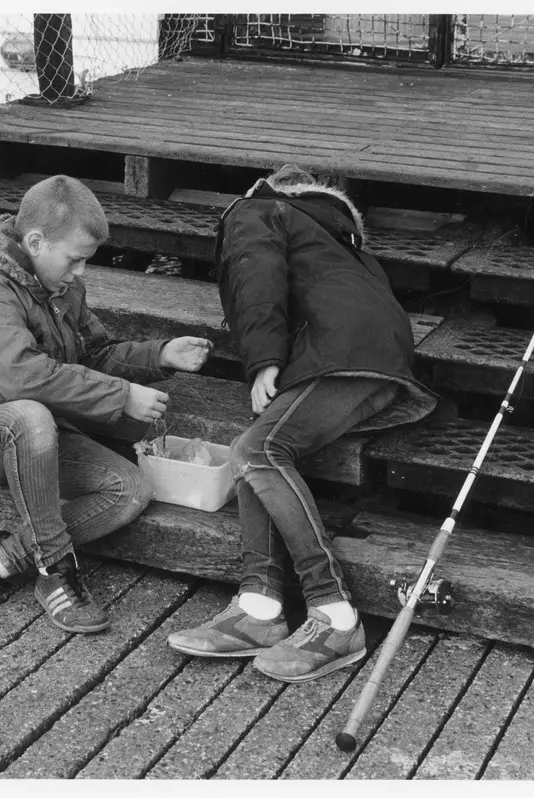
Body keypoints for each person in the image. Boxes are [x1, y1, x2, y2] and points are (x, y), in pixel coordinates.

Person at [167, 165, 440, 682]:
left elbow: (255, 273)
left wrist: (263, 359)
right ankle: (260, 608)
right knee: (255, 444)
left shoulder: (257, 207)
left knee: (258, 451)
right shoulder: (334, 235)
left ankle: (335, 614)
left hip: (345, 357)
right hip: (372, 359)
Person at [0, 175, 211, 630]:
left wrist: (159, 354)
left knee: (129, 491)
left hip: (41, 433)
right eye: (75, 260)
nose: (81, 273)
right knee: (29, 415)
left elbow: (91, 356)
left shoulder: (62, 285)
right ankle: (56, 572)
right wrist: (121, 397)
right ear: (35, 241)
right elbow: (22, 376)